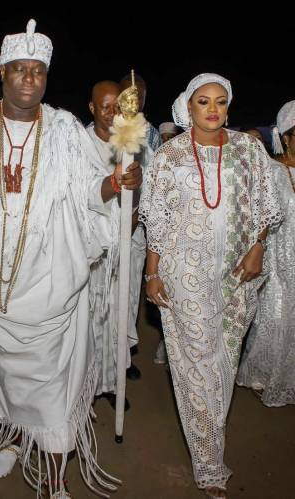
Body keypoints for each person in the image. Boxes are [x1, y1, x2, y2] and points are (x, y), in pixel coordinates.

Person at [0, 20, 141, 498]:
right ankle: (15, 438)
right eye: (19, 70)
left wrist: (114, 184)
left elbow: (91, 191)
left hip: (53, 279)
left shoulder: (65, 129)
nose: (29, 79)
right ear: (2, 72)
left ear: (46, 77)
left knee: (53, 386)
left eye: (38, 71)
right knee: (6, 378)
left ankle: (55, 479)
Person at [139, 73, 282, 498]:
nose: (213, 109)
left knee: (223, 364)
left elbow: (265, 207)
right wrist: (152, 272)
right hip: (185, 277)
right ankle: (209, 463)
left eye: (221, 101)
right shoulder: (170, 156)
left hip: (237, 276)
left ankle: (211, 438)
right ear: (189, 106)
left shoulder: (249, 151)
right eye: (204, 101)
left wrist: (257, 246)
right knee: (198, 368)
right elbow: (157, 222)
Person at [86, 80, 147, 410]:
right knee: (89, 319)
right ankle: (85, 388)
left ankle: (112, 384)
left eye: (117, 107)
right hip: (89, 248)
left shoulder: (129, 141)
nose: (112, 113)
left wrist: (134, 200)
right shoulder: (78, 144)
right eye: (105, 106)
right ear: (93, 108)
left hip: (122, 244)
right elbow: (80, 195)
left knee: (116, 316)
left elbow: (137, 192)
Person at [237, 101, 295, 407]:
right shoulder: (272, 170)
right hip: (275, 257)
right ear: (286, 136)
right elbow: (258, 214)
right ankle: (262, 376)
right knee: (274, 316)